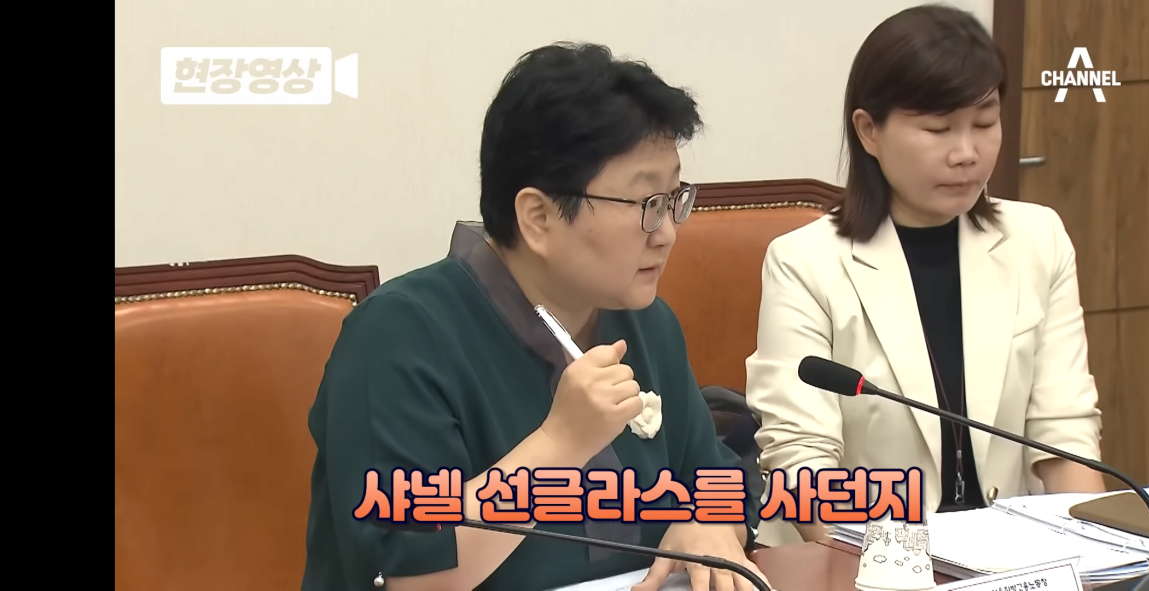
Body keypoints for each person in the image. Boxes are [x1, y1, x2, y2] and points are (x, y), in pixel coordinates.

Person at [300, 42, 765, 591]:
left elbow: (719, 482)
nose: (667, 233)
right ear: (538, 217)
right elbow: (410, 579)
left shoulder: (647, 323)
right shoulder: (397, 338)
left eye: (673, 199)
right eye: (647, 204)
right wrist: (559, 445)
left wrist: (712, 523)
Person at [744, 5, 1107, 548]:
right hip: (858, 557)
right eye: (938, 129)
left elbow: (1065, 437)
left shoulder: (1038, 239)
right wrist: (904, 568)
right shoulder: (805, 262)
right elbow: (803, 463)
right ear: (869, 131)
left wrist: (1097, 559)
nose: (967, 153)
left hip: (1010, 560)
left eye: (984, 123)